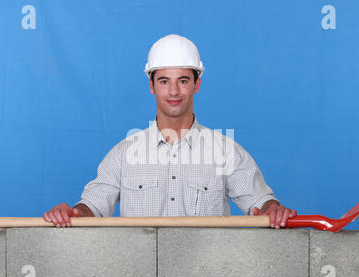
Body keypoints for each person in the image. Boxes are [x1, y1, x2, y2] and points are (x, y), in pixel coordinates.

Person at [43, 34, 297, 228]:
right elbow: (92, 208)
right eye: (164, 81)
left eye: (183, 81)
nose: (174, 92)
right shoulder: (123, 155)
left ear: (196, 84)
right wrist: (74, 213)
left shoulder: (225, 152)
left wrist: (272, 209)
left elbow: (261, 203)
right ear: (152, 86)